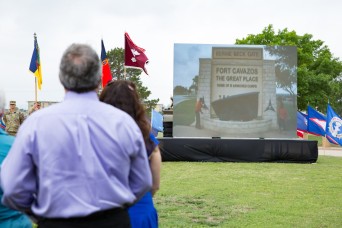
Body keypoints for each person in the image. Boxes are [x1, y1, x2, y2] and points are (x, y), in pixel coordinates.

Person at [1, 44, 152, 228]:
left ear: (61, 79)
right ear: (99, 80)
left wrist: (38, 213)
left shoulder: (36, 124)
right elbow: (142, 181)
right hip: (112, 221)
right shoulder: (123, 123)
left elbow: (12, 187)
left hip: (55, 222)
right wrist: (118, 205)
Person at [100, 80, 162, 228]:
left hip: (104, 213)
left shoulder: (94, 135)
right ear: (136, 104)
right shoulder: (147, 138)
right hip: (140, 212)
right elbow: (154, 184)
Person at [0, 89, 33, 228]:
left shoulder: (19, 113)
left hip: (14, 135)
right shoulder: (6, 114)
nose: (12, 106)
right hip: (8, 134)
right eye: (11, 105)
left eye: (13, 104)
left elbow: (24, 120)